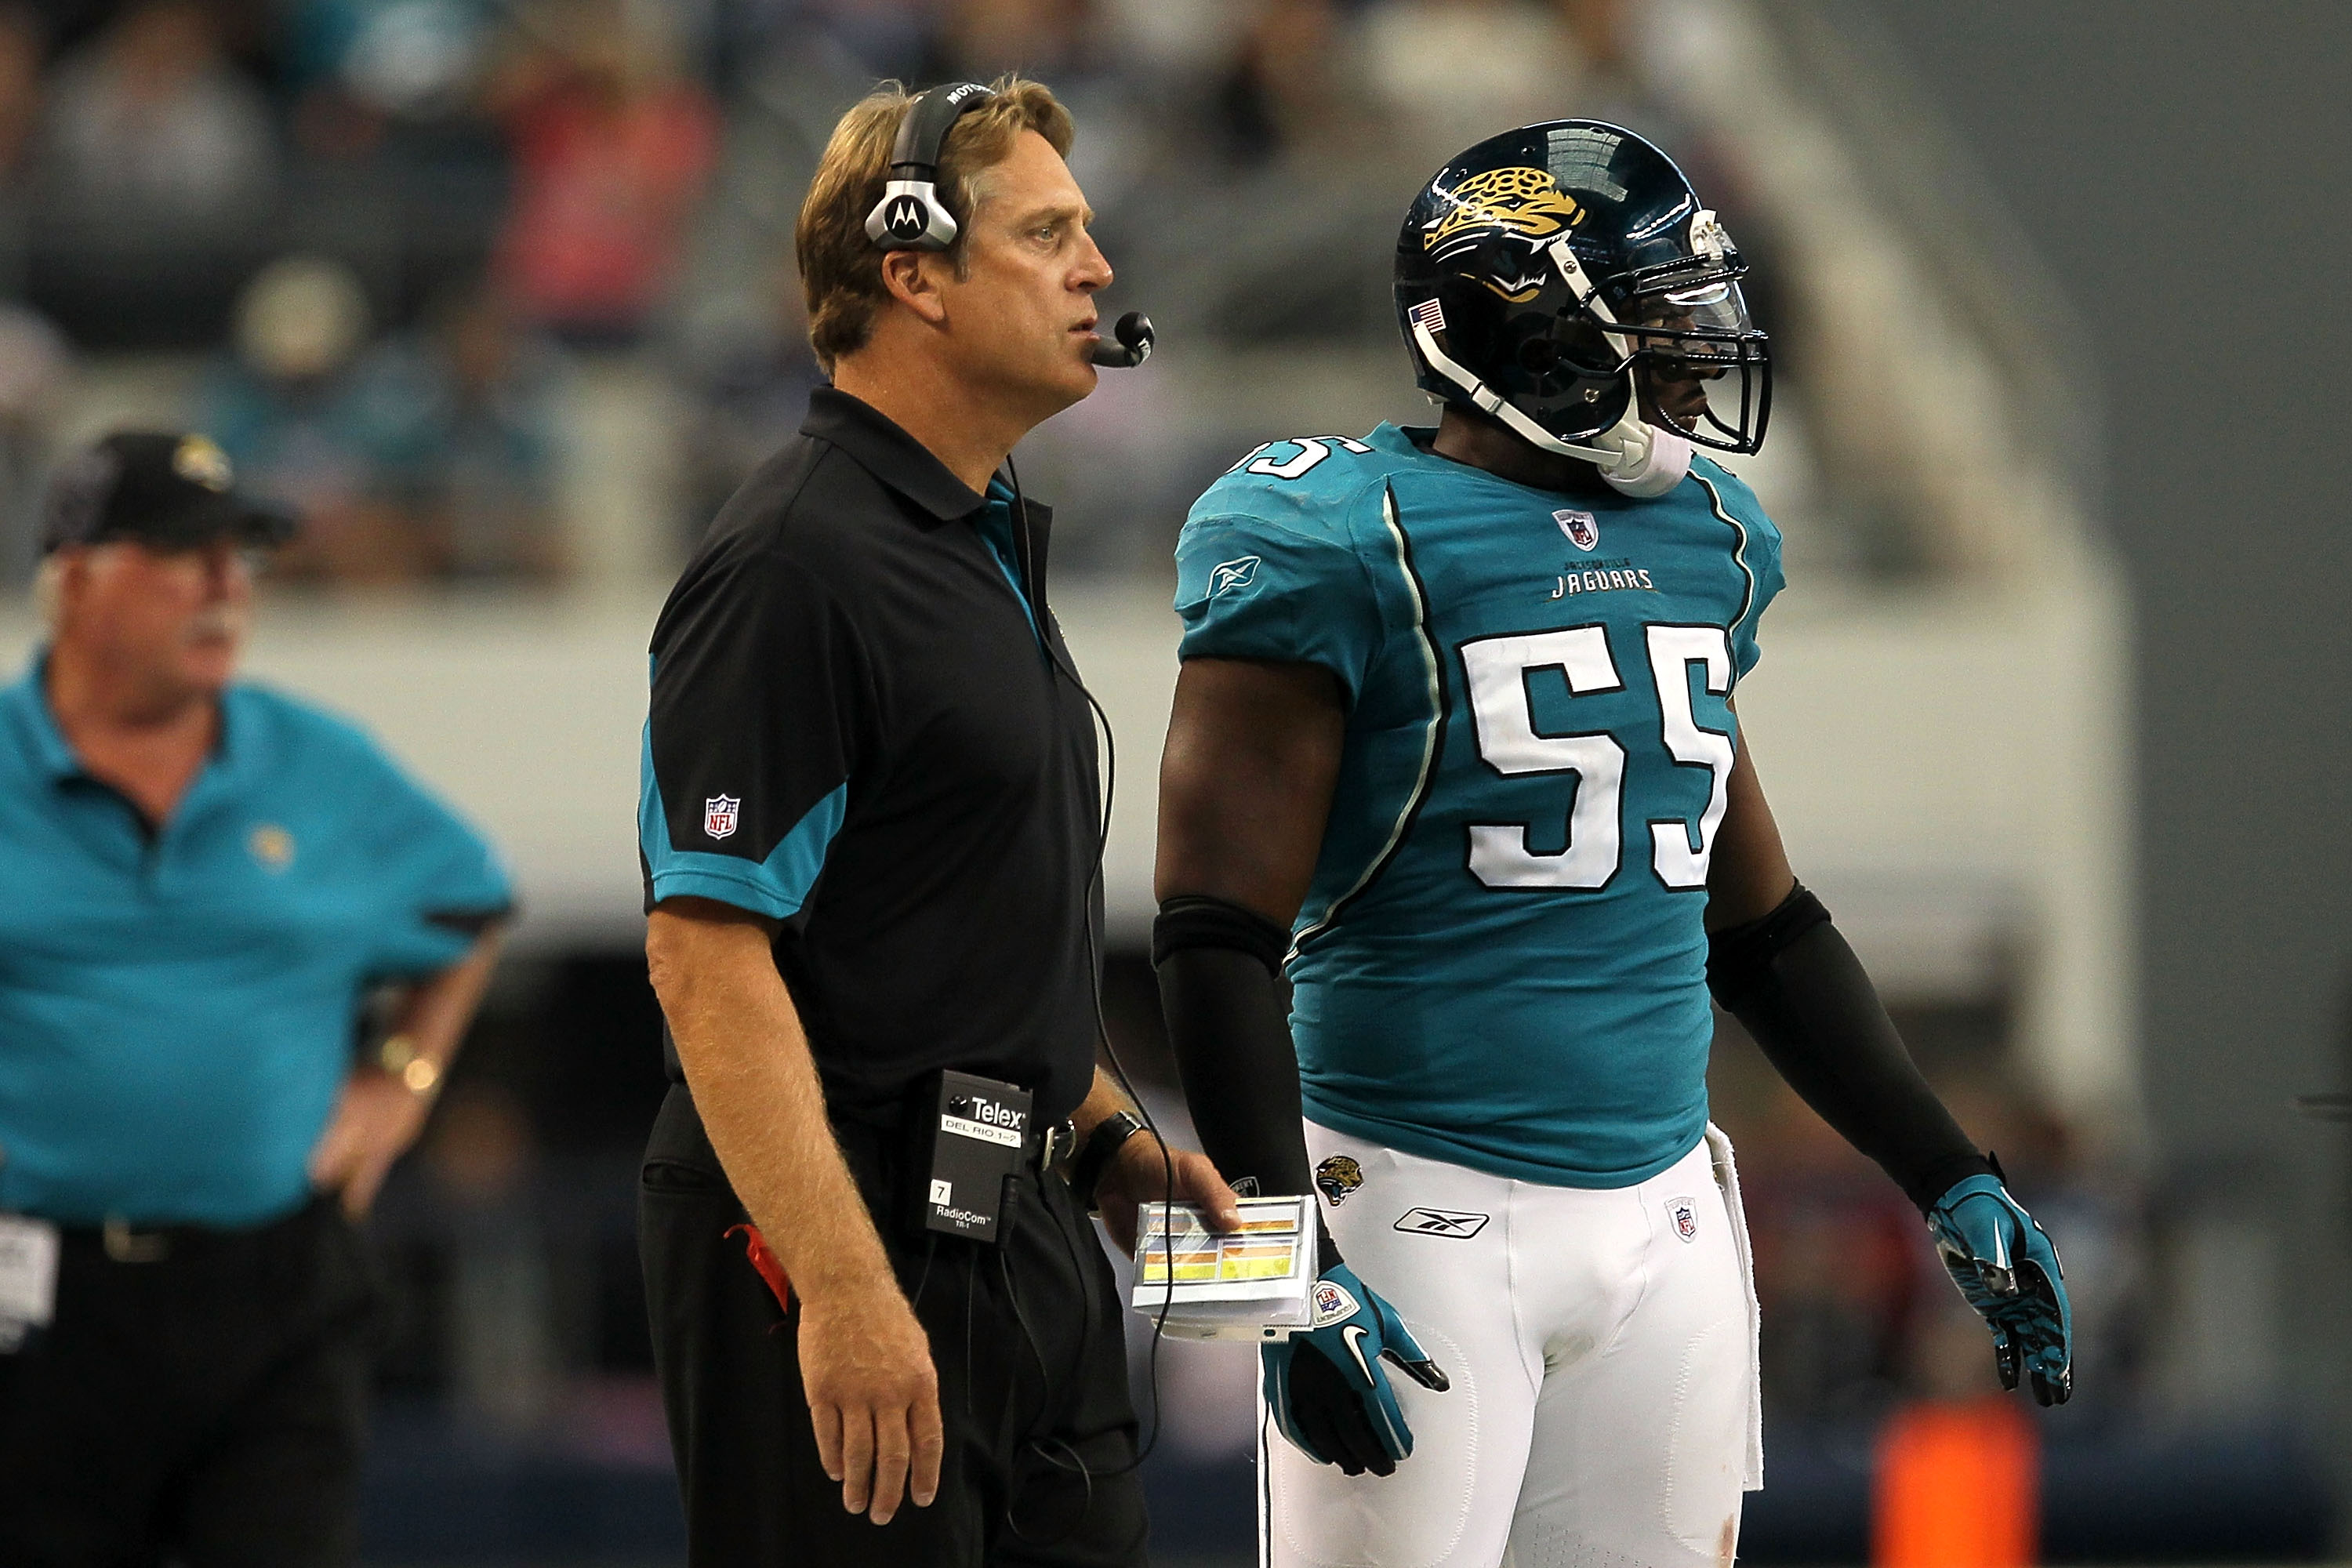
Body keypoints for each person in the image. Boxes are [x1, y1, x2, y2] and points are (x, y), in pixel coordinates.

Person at [1149, 122, 2074, 1567]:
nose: (1699, 369)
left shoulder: (1706, 538)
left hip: (1665, 1220)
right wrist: (1280, 1270)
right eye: (1660, 328)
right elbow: (1211, 938)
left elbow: (1758, 922)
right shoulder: (1341, 536)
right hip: (1405, 1208)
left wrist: (1950, 1171)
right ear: (1528, 331)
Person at [637, 78, 1236, 1567]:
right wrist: (840, 1287)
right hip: (832, 1227)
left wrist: (1100, 1135)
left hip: (1014, 1216)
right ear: (912, 268)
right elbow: (706, 955)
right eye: (1048, 234)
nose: (1099, 268)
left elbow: (942, 916)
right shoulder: (793, 562)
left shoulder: (971, 546)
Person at [0, 430, 511, 1565]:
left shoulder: (318, 765)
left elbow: (471, 913)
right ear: (76, 577)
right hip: (39, 1308)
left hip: (274, 1290)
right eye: (187, 554)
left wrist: (403, 1080)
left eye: (242, 555)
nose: (229, 587)